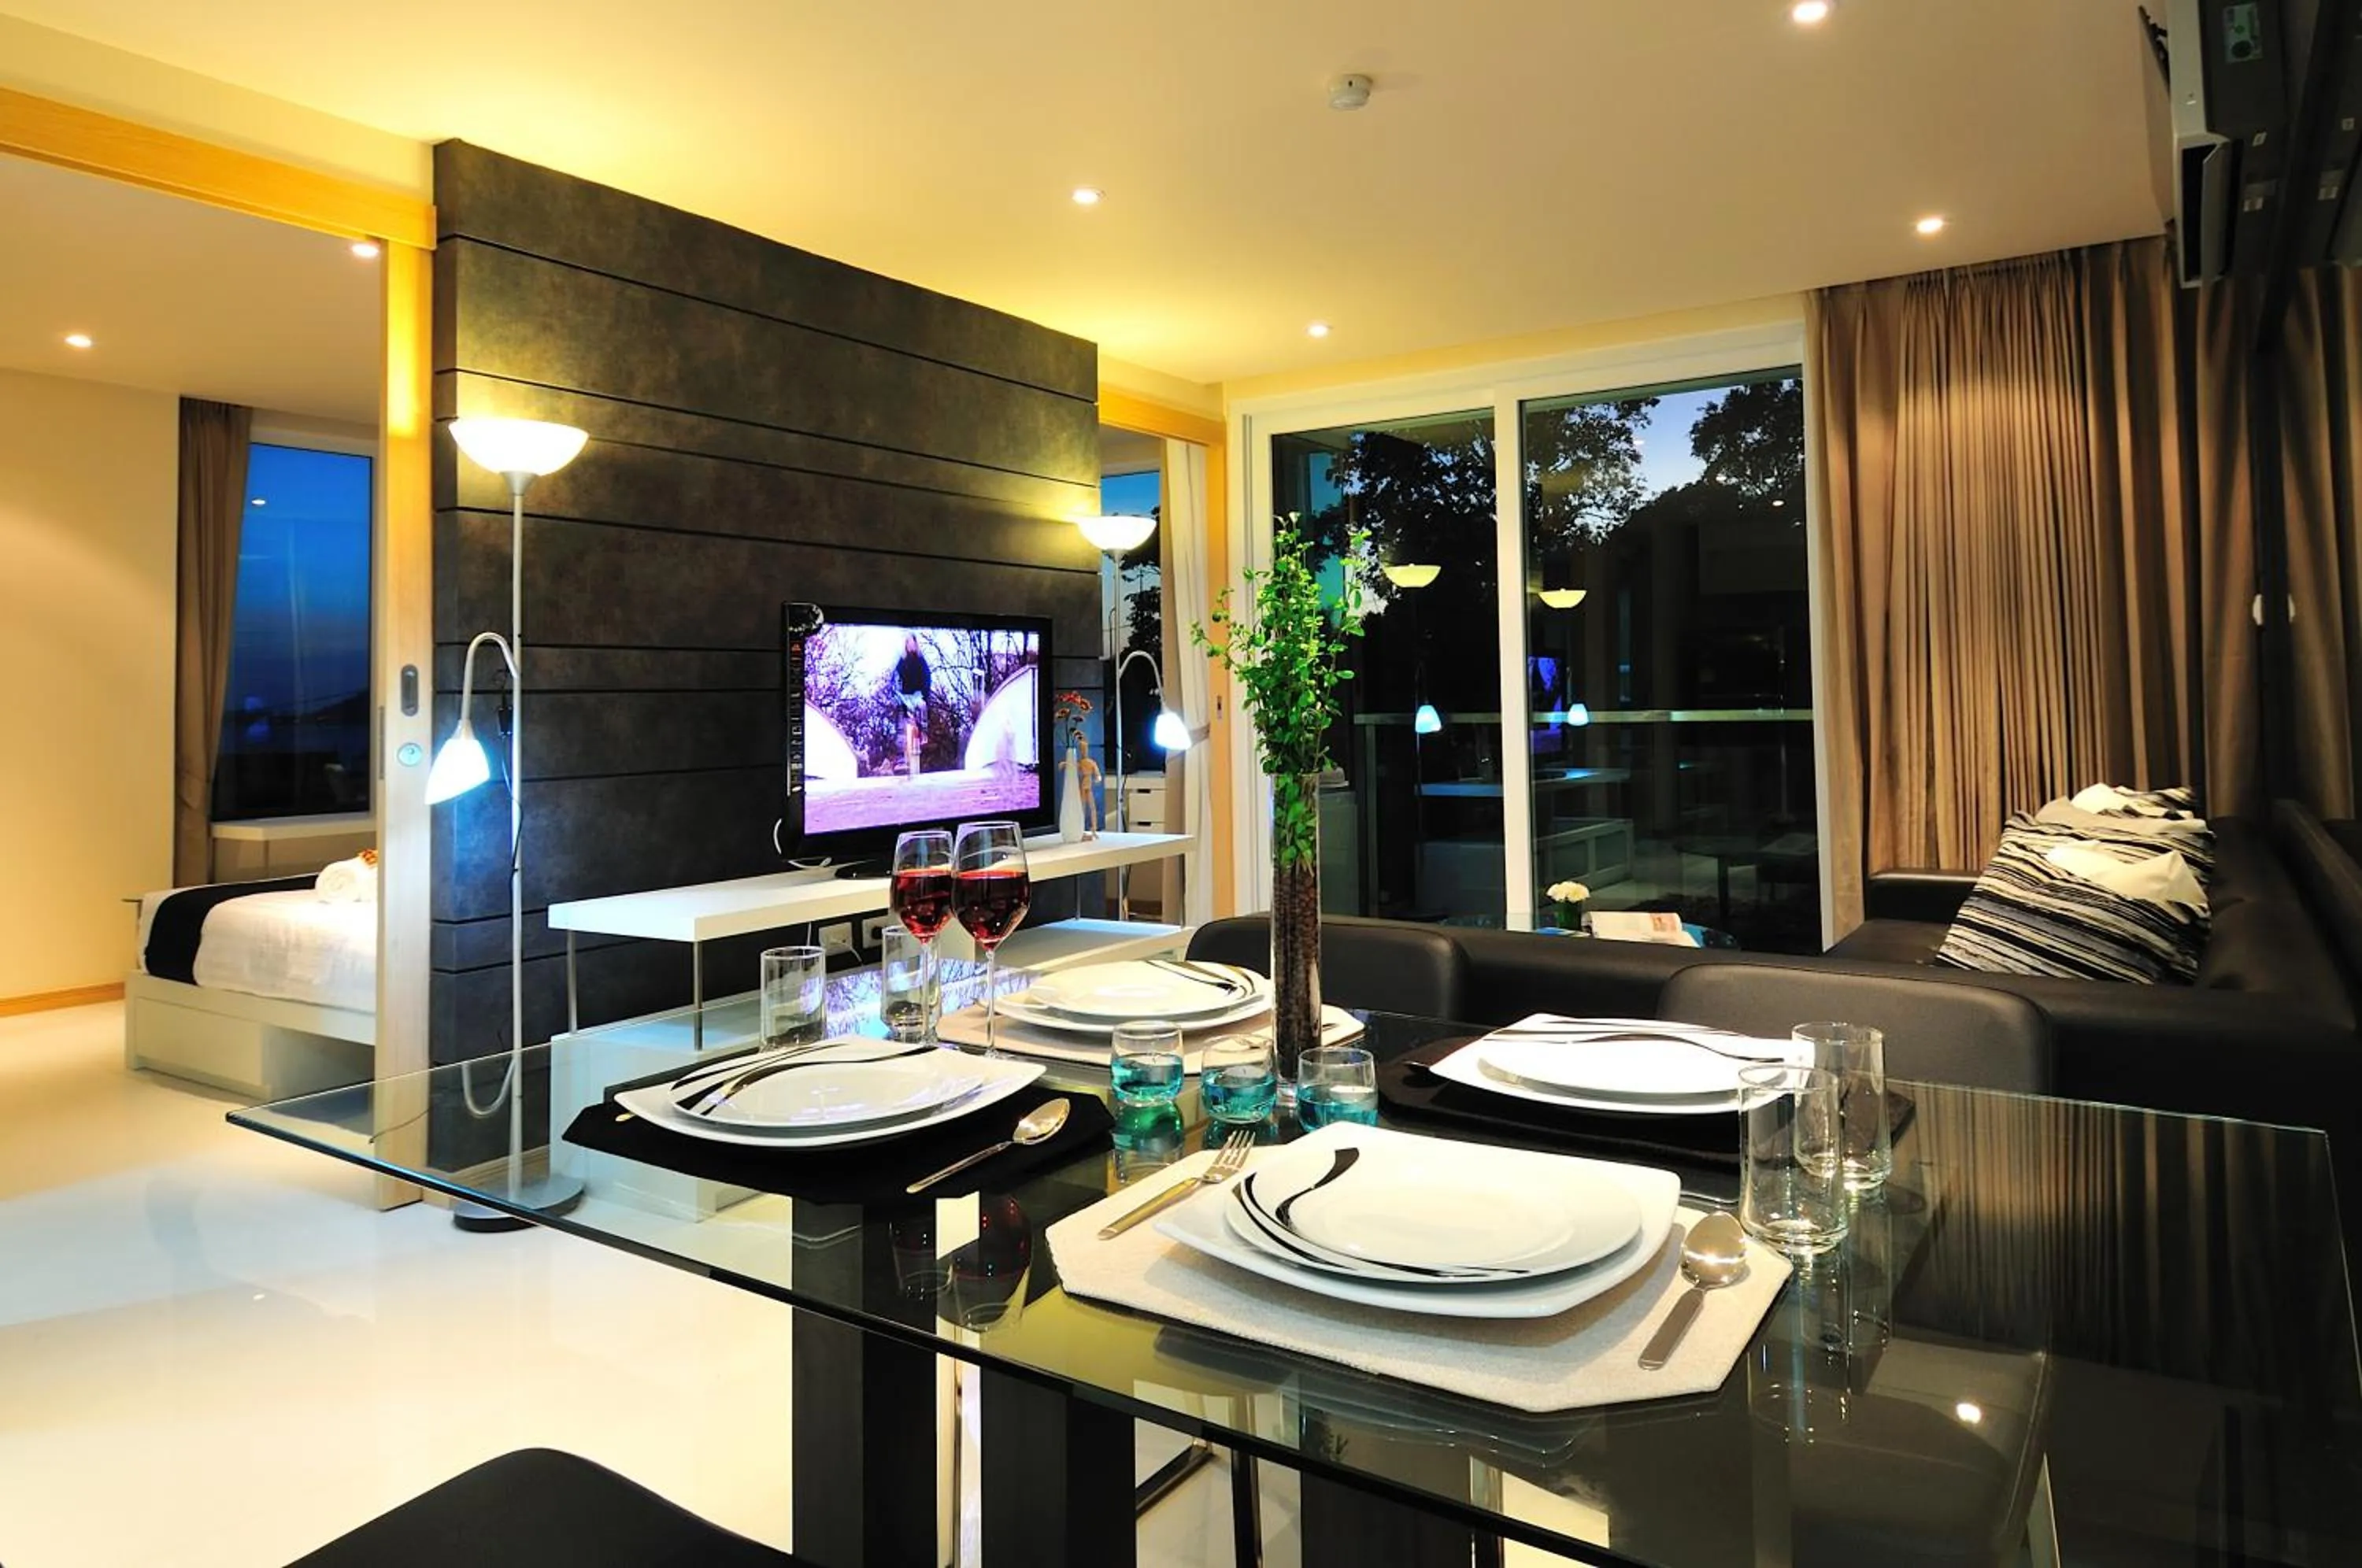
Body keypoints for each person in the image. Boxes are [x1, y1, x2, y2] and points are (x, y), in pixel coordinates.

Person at [894, 634, 931, 776]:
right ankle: (901, 757)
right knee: (900, 721)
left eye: (912, 642)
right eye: (908, 643)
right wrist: (897, 695)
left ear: (916, 644)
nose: (910, 645)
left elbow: (927, 678)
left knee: (922, 707)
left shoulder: (921, 661)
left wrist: (924, 694)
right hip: (905, 696)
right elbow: (895, 678)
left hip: (917, 695)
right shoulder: (902, 661)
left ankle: (923, 733)